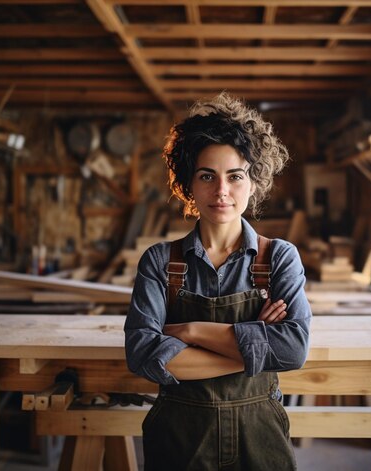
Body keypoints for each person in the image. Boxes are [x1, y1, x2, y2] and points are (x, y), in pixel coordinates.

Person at [124, 92, 311, 470]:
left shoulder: (279, 258)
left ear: (254, 181)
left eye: (235, 176)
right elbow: (143, 354)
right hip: (180, 437)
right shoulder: (160, 262)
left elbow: (292, 350)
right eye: (207, 175)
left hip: (260, 435)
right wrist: (255, 346)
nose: (221, 191)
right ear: (188, 184)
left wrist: (190, 331)